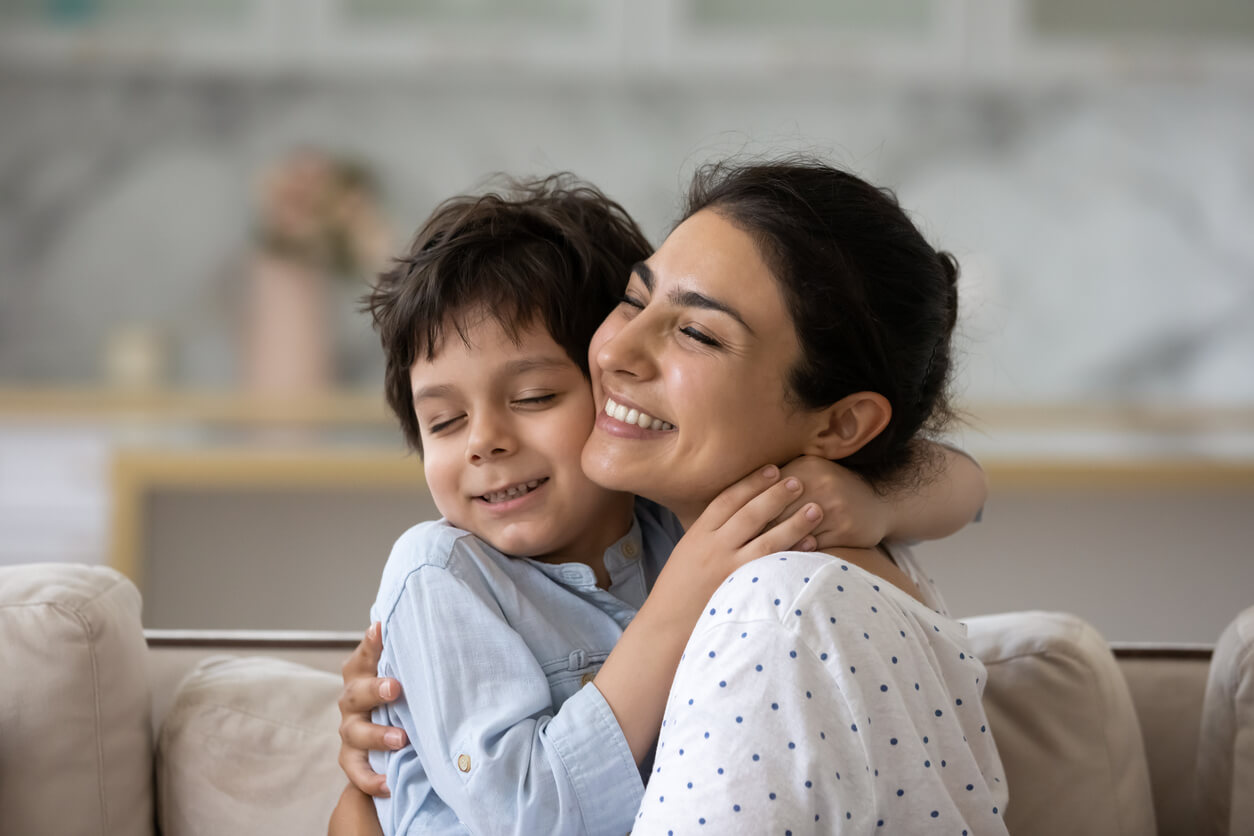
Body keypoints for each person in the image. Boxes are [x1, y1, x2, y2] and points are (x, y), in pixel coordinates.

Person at [329, 169, 991, 835]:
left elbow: (960, 483)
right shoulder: (443, 570)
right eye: (443, 422)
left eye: (534, 398)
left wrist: (874, 499)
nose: (483, 443)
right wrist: (680, 600)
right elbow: (522, 815)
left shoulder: (704, 540)